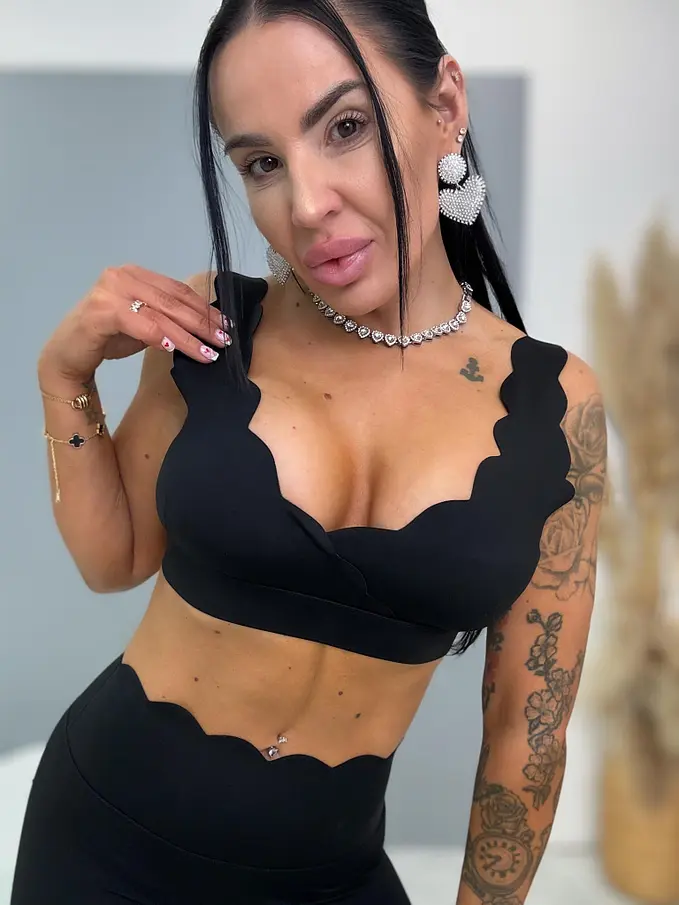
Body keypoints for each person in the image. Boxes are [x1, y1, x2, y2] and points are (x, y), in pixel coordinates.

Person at [11, 1, 607, 903]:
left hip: (330, 878)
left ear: (445, 105)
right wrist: (63, 376)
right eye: (262, 163)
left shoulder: (556, 407)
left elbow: (528, 730)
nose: (306, 204)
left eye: (346, 127)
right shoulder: (216, 328)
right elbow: (113, 558)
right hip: (100, 843)